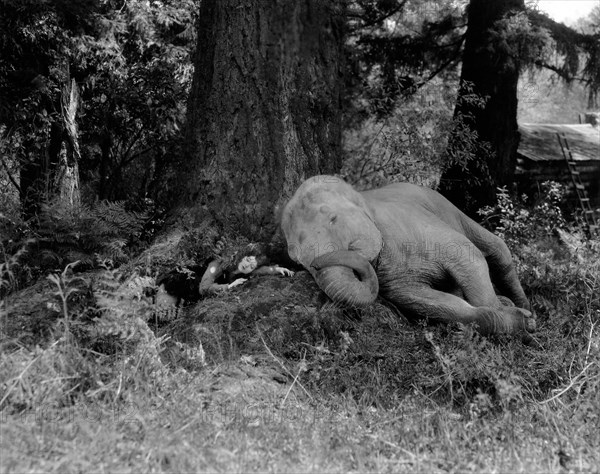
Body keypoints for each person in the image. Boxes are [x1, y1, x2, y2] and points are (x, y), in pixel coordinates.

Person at [155, 252, 294, 306]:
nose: (248, 264)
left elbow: (259, 271)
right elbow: (204, 288)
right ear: (242, 256)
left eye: (252, 265)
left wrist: (276, 270)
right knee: (158, 314)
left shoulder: (241, 272)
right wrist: (228, 287)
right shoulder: (218, 264)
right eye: (247, 259)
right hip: (175, 285)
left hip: (188, 295)